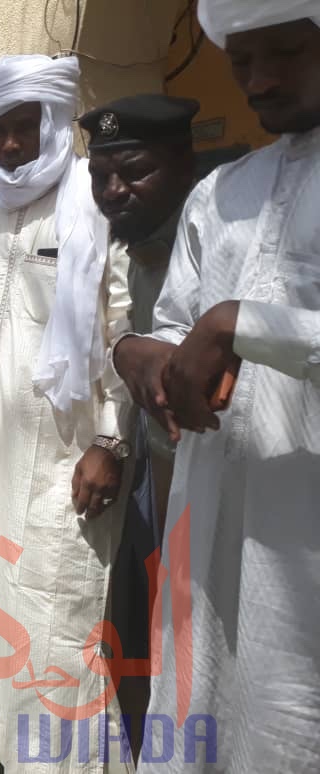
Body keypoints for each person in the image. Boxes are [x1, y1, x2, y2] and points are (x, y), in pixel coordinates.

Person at [0, 55, 136, 769]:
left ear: (57, 121)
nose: (10, 145)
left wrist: (113, 439)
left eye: (24, 127)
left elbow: (123, 329)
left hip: (69, 459)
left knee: (56, 619)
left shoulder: (96, 203)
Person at [114, 5, 320, 771]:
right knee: (202, 702)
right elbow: (176, 321)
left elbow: (224, 323)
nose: (261, 79)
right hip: (207, 527)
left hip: (302, 542)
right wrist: (138, 353)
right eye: (243, 61)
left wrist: (244, 322)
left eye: (290, 52)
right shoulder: (222, 189)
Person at [81, 93, 199, 758]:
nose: (115, 190)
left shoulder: (214, 242)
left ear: (185, 162)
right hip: (151, 479)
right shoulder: (130, 246)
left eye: (135, 172)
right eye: (102, 177)